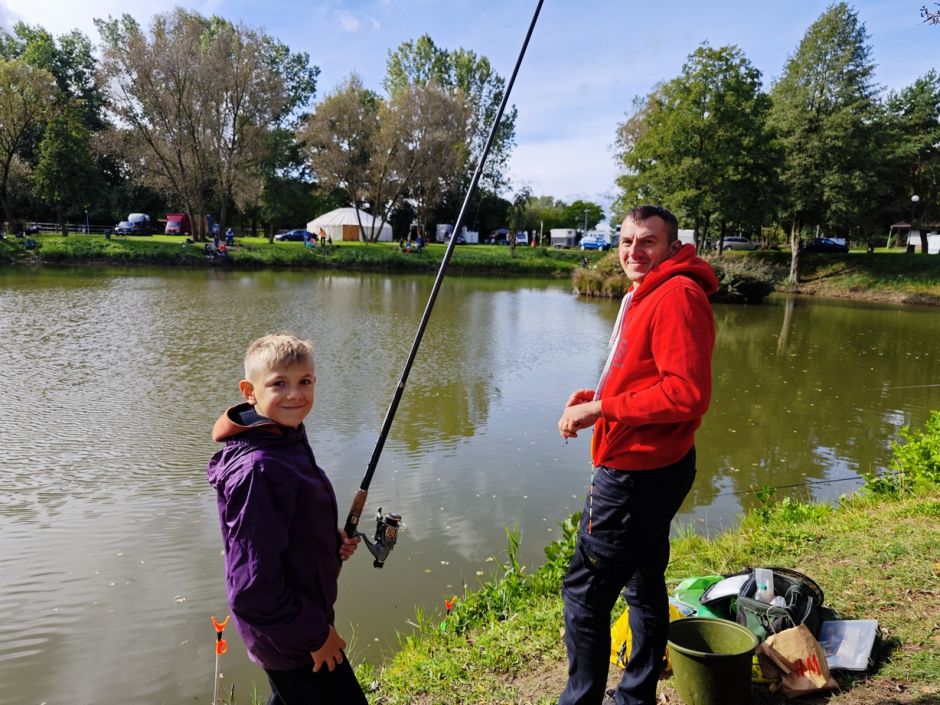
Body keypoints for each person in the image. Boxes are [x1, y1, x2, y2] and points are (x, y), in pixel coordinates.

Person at [556, 205, 718, 705]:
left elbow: (686, 394)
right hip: (655, 464)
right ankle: (636, 697)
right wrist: (597, 397)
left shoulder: (677, 295)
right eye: (627, 241)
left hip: (636, 473)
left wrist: (602, 409)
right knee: (644, 581)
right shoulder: (648, 291)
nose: (634, 251)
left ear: (672, 246)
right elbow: (647, 374)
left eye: (648, 241)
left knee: (584, 593)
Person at [207, 333, 366, 705]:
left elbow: (285, 525)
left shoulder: (283, 436)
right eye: (279, 383)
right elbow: (252, 590)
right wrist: (316, 636)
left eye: (304, 382)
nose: (295, 394)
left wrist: (326, 538)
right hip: (292, 636)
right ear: (250, 391)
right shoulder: (258, 469)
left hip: (296, 623)